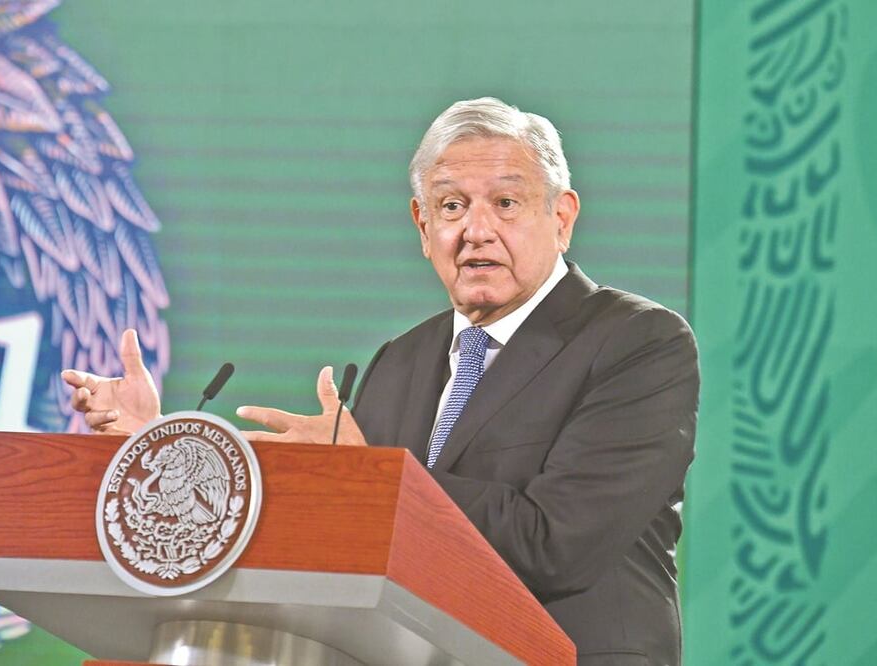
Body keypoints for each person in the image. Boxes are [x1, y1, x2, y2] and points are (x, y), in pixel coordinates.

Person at [62, 97, 699, 665]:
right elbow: (340, 529)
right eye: (452, 206)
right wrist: (156, 447)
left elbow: (556, 543)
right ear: (424, 228)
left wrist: (373, 477)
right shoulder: (402, 359)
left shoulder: (638, 342)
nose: (476, 229)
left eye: (506, 202)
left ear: (561, 218)